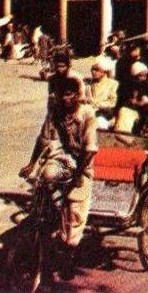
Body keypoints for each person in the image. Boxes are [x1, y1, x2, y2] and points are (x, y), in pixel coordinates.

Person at [19, 72, 98, 249]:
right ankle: (49, 216)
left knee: (74, 209)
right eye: (62, 93)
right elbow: (44, 139)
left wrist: (78, 175)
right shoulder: (55, 111)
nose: (65, 98)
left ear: (78, 96)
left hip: (83, 163)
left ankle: (70, 249)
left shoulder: (87, 115)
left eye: (69, 94)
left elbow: (90, 150)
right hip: (65, 157)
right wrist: (31, 164)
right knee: (45, 176)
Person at [85, 56, 119, 128]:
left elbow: (113, 102)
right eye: (92, 69)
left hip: (104, 114)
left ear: (105, 71)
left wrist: (98, 105)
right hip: (88, 113)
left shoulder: (113, 84)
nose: (93, 72)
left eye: (97, 70)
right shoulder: (88, 84)